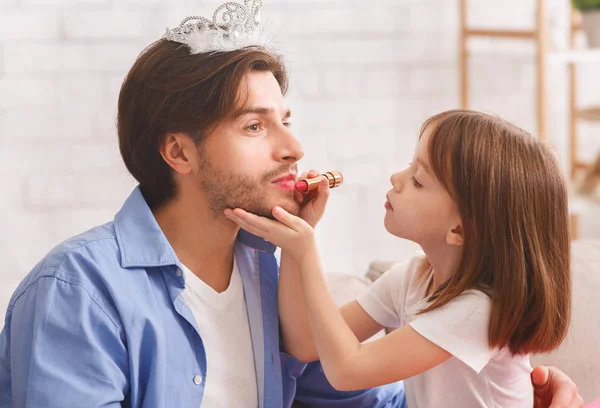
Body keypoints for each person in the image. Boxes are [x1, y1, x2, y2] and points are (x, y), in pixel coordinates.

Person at [0, 1, 582, 406]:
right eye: (255, 127)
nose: (294, 148)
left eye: (287, 120)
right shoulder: (77, 292)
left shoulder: (266, 270)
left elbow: (356, 384)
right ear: (179, 151)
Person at [224, 109, 584, 408]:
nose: (397, 178)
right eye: (409, 166)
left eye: (419, 180)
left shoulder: (477, 311)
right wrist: (296, 239)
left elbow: (348, 370)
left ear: (459, 230)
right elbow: (305, 345)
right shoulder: (413, 277)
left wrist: (307, 252)